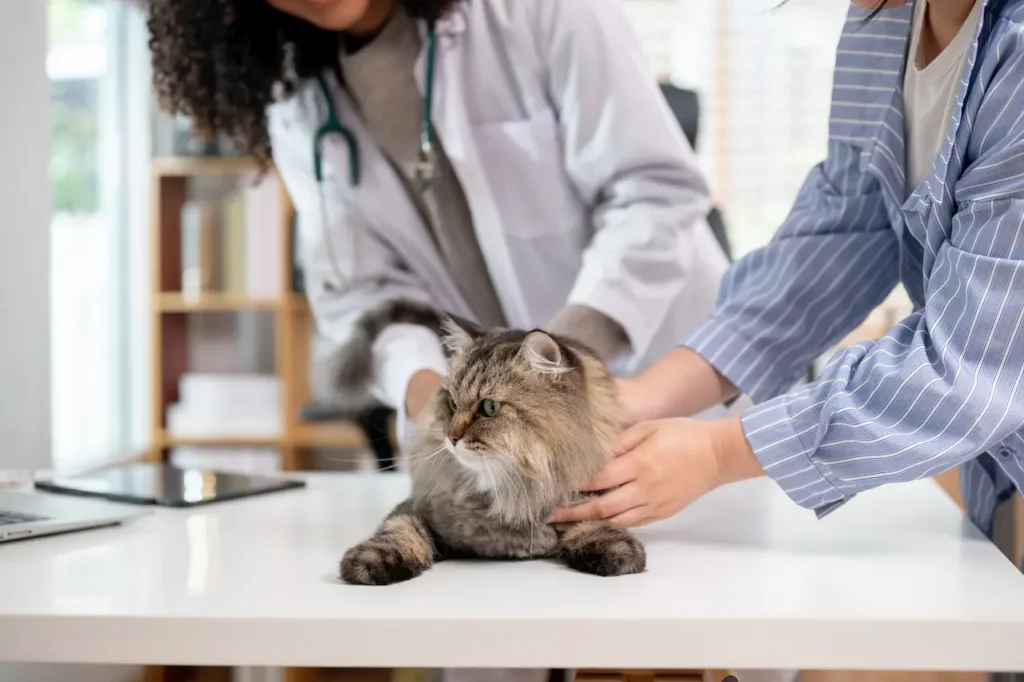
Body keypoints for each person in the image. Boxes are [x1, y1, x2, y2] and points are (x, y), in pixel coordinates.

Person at [145, 0, 740, 453]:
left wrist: (555, 368)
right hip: (513, 447)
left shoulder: (531, 12)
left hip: (675, 396)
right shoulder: (301, 110)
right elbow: (361, 297)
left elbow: (654, 191)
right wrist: (432, 396)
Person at [553, 0, 1024, 543]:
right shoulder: (886, 18)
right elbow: (842, 232)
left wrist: (718, 452)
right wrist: (643, 396)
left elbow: (972, 362)